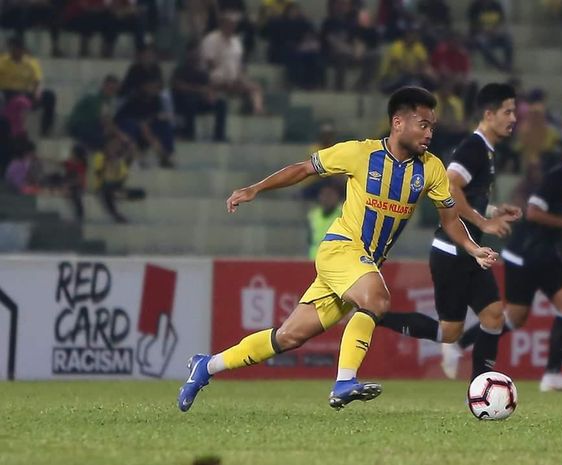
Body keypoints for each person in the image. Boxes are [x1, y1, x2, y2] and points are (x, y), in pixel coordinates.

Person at [177, 86, 499, 412]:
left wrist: (472, 248)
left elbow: (449, 218)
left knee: (288, 337)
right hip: (341, 249)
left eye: (433, 126)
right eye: (423, 124)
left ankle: (207, 366)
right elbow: (304, 169)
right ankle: (344, 382)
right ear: (398, 122)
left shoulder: (430, 169)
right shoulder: (360, 153)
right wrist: (255, 188)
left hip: (361, 264)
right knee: (377, 299)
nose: (429, 133)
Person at [452, 131, 562, 391]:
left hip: (546, 255)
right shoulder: (557, 177)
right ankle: (459, 343)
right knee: (516, 318)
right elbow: (532, 213)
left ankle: (552, 376)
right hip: (524, 254)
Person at [377, 83, 520, 381]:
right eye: (508, 111)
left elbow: (468, 193)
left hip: (468, 251)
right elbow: (451, 185)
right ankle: (374, 317)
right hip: (452, 251)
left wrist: (493, 211)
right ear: (489, 114)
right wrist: (483, 223)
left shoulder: (486, 150)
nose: (513, 118)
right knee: (449, 331)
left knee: (493, 315)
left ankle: (482, 389)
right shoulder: (474, 147)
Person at [0, 37, 56, 136]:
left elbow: (38, 80)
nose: (15, 51)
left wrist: (37, 92)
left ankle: (45, 130)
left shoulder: (31, 63)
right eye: (12, 48)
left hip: (26, 94)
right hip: (7, 93)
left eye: (18, 48)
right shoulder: (2, 61)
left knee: (49, 96)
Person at [307, 181, 343, 259]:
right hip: (314, 257)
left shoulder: (343, 213)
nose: (327, 198)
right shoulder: (313, 214)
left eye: (330, 195)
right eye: (324, 195)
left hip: (334, 257)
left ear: (337, 196)